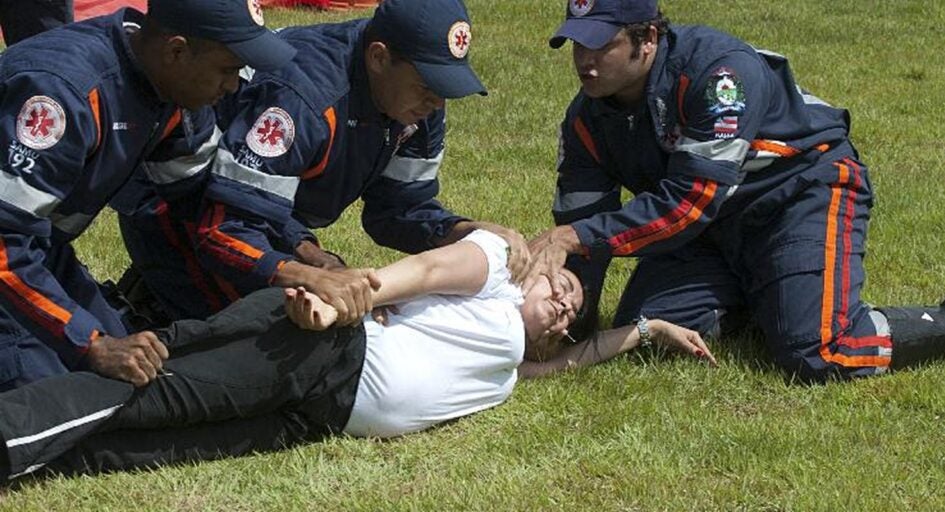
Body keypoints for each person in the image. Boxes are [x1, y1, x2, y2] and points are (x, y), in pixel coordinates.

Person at [526, 0, 945, 382]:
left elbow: (689, 203)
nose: (585, 61)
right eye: (577, 45)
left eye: (601, 45)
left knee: (819, 353)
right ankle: (773, 293)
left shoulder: (719, 74)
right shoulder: (585, 119)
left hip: (798, 193)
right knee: (648, 328)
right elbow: (580, 233)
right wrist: (569, 321)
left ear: (648, 39)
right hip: (711, 230)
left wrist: (575, 237)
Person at [0, 229, 712, 479]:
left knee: (148, 448)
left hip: (318, 415)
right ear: (536, 271)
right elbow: (421, 272)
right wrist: (341, 304)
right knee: (152, 394)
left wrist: (646, 329)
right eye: (563, 287)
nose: (565, 306)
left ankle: (34, 460)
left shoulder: (511, 366)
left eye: (570, 316)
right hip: (322, 347)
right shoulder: (495, 268)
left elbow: (571, 362)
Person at [115, 0, 530, 328]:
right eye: (427, 85)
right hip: (180, 205)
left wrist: (461, 232)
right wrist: (308, 272)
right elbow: (224, 230)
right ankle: (140, 310)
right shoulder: (304, 101)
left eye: (444, 87)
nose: (437, 103)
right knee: (257, 339)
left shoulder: (416, 104)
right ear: (378, 58)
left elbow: (396, 211)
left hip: (257, 210)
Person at [0, 0, 295, 391]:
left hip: (37, 249)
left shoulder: (169, 86)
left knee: (137, 378)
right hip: (12, 249)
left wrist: (298, 258)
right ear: (177, 51)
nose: (232, 86)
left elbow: (202, 197)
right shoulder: (63, 93)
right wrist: (92, 344)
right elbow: (4, 243)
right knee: (55, 397)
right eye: (227, 69)